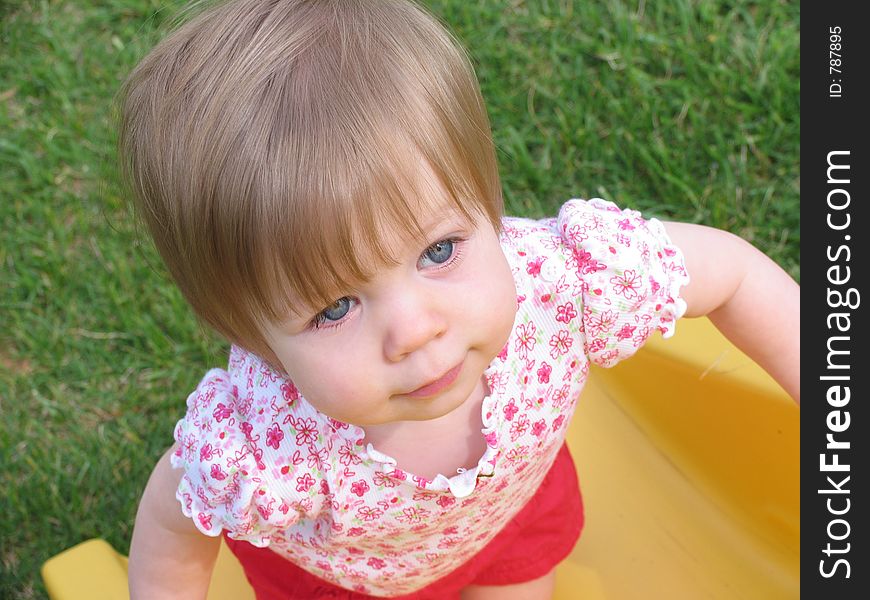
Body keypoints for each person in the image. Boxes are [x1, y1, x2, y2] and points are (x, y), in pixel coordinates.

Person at [121, 0, 800, 598]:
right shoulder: (267, 442)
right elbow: (170, 525)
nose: (414, 330)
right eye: (334, 308)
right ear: (253, 338)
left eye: (439, 252)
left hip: (515, 518)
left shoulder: (568, 284)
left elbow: (734, 274)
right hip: (352, 580)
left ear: (486, 202)